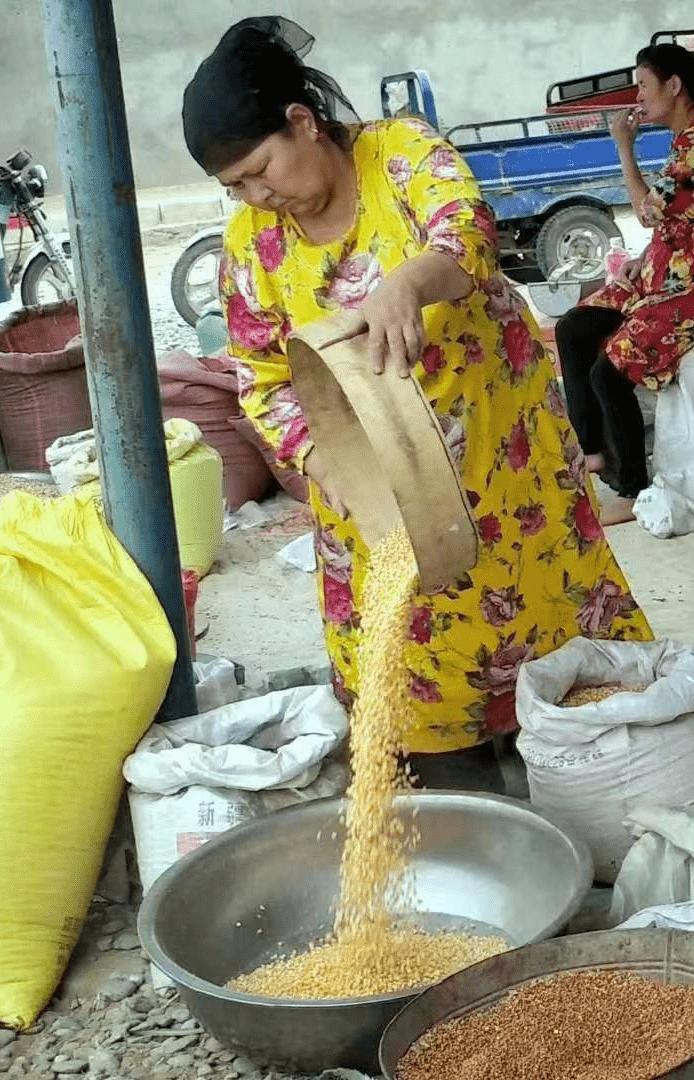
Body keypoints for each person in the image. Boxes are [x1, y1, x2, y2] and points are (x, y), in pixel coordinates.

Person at [182, 16, 653, 775]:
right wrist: (320, 462)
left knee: (547, 620)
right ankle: (456, 778)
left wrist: (406, 284)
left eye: (260, 169)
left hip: (502, 461)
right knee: (418, 664)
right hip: (374, 489)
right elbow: (261, 377)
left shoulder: (400, 156)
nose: (255, 195)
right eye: (234, 186)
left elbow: (467, 234)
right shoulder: (250, 248)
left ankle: (569, 753)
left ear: (302, 123)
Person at [554, 44, 694, 499]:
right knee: (574, 328)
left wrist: (624, 146)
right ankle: (593, 451)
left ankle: (632, 485)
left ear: (674, 86)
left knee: (609, 372)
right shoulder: (688, 142)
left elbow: (647, 211)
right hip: (659, 272)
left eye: (643, 85)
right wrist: (649, 255)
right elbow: (673, 220)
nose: (637, 96)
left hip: (691, 285)